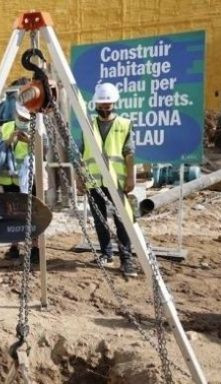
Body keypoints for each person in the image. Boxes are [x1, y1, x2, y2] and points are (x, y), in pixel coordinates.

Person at [81, 82, 138, 278]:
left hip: (116, 182)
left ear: (114, 103)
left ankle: (126, 259)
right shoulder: (89, 125)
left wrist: (131, 177)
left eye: (109, 105)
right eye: (102, 105)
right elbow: (81, 153)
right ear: (96, 104)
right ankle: (106, 254)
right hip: (94, 182)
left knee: (122, 220)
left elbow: (129, 154)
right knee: (99, 219)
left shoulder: (124, 124)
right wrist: (79, 178)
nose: (105, 109)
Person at [0, 102, 40, 262]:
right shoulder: (6, 128)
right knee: (12, 214)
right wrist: (9, 141)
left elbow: (45, 151)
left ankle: (35, 247)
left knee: (32, 214)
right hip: (9, 181)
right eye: (21, 118)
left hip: (30, 180)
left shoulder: (37, 128)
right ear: (16, 115)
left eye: (26, 119)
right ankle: (14, 246)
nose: (23, 121)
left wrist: (30, 142)